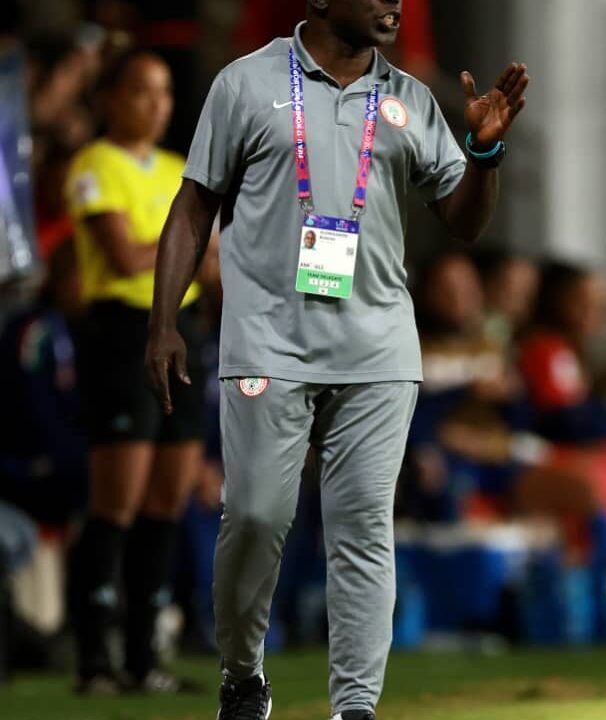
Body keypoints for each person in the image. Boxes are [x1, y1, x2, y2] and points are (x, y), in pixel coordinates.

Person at [146, 1, 529, 718]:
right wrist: (164, 319)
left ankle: (356, 706)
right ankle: (242, 672)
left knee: (362, 530)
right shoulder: (245, 82)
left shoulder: (411, 98)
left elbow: (464, 221)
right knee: (256, 516)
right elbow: (194, 205)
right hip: (268, 340)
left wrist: (483, 154)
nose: (394, 4)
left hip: (378, 347)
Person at [65, 49, 209, 694]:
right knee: (116, 501)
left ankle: (145, 659)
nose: (156, 105)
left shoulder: (183, 170)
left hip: (188, 332)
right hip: (125, 335)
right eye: (142, 91)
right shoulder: (95, 165)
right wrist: (189, 245)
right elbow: (123, 257)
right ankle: (94, 657)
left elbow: (215, 262)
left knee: (167, 500)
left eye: (165, 92)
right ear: (111, 99)